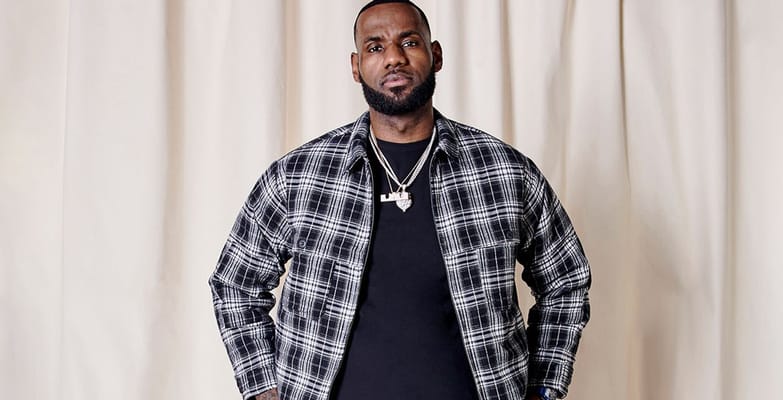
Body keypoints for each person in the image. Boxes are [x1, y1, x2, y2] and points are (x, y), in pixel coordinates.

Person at [209, 1, 591, 399]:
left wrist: (543, 388)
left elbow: (566, 279)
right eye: (375, 47)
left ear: (435, 55)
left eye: (409, 42)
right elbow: (235, 282)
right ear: (356, 66)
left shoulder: (505, 172)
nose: (393, 57)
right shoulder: (299, 175)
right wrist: (264, 389)